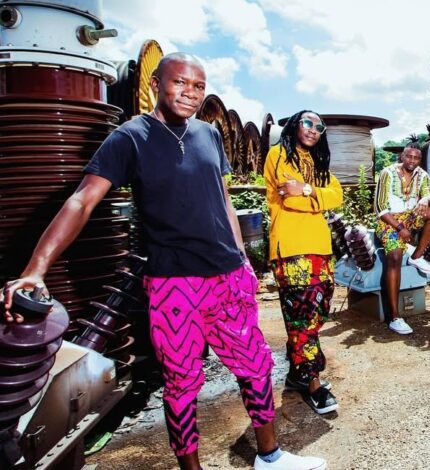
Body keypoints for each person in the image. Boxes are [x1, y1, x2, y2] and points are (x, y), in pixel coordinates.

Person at [2, 53, 326, 470]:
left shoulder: (210, 134)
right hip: (174, 285)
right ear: (156, 84)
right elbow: (82, 201)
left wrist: (243, 259)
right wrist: (36, 268)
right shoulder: (130, 137)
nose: (190, 93)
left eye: (198, 86)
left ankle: (270, 456)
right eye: (180, 83)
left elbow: (223, 200)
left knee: (255, 367)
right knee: (182, 386)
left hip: (228, 277)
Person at [263, 110, 342, 415]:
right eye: (308, 123)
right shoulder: (279, 155)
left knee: (317, 313)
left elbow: (337, 195)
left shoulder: (318, 163)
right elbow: (290, 198)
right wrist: (314, 196)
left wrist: (307, 189)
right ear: (295, 125)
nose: (313, 129)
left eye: (319, 126)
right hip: (292, 249)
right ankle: (313, 383)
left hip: (320, 249)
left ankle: (298, 373)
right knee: (303, 319)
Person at [374, 142, 430, 335]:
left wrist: (425, 199)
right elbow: (380, 208)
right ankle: (394, 317)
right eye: (409, 156)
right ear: (402, 156)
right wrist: (400, 229)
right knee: (395, 256)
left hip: (410, 217)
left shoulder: (422, 175)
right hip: (389, 221)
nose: (412, 160)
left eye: (416, 158)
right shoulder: (387, 173)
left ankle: (416, 256)